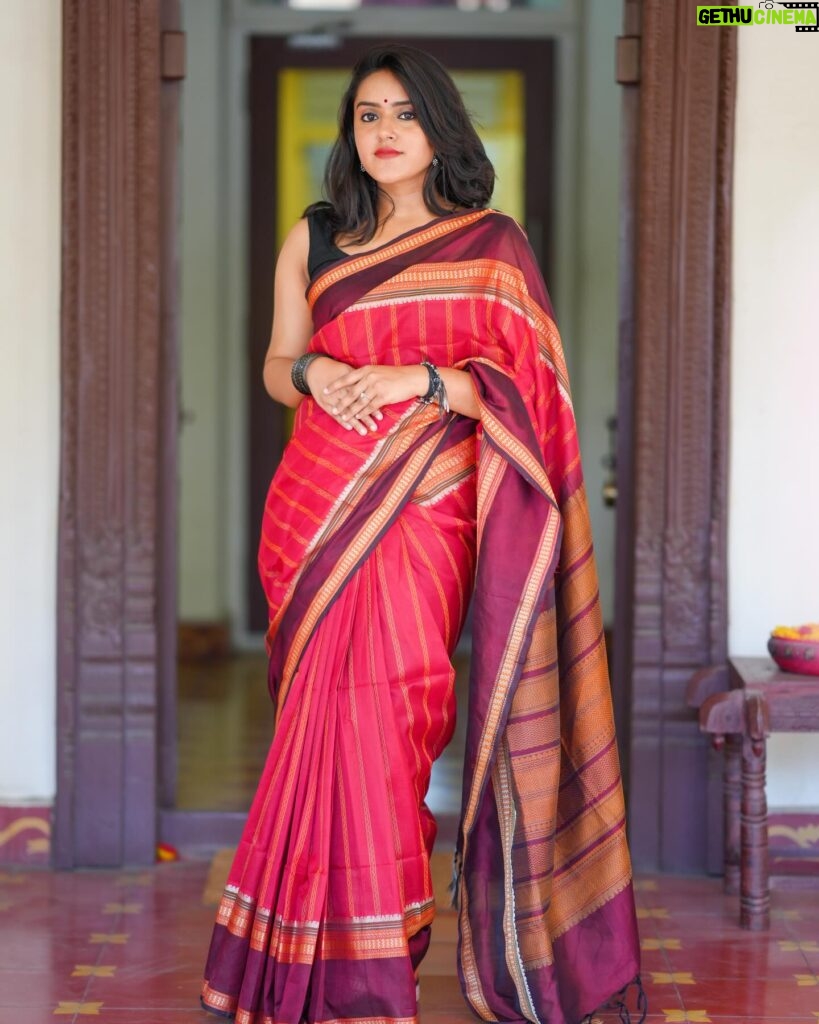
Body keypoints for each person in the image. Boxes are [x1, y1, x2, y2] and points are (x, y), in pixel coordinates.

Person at [201, 44, 644, 1024]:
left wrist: (428, 382)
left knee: (388, 728)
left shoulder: (492, 247)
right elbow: (278, 362)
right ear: (350, 133)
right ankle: (298, 967)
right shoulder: (316, 238)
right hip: (315, 513)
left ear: (441, 127)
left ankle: (368, 970)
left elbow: (533, 389)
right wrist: (313, 374)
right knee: (315, 732)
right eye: (367, 114)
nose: (385, 130)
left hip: (426, 515)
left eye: (405, 112)